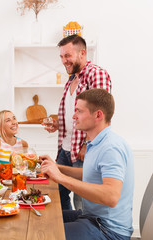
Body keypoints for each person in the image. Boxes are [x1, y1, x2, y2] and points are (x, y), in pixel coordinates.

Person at [40, 89, 134, 240]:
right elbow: (89, 173)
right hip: (91, 217)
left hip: (108, 230)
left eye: (79, 111)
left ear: (98, 115)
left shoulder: (110, 147)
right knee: (41, 218)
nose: (73, 116)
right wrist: (56, 167)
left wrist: (61, 178)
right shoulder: (96, 142)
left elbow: (111, 196)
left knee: (43, 235)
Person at [45, 34, 112, 210]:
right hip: (65, 149)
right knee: (58, 195)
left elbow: (102, 113)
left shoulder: (95, 74)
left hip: (83, 150)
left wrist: (87, 144)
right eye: (61, 56)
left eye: (67, 55)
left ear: (82, 53)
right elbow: (78, 113)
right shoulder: (72, 79)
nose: (63, 61)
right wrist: (59, 124)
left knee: (81, 202)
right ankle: (65, 232)